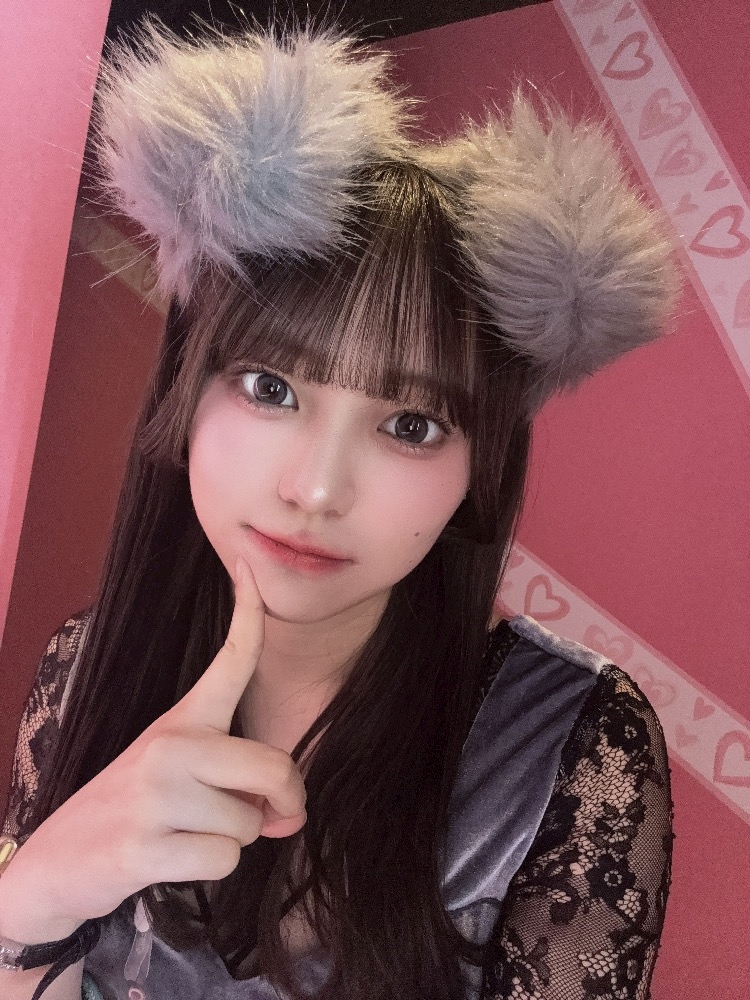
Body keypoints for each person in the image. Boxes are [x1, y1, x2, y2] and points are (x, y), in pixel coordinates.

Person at [0, 20, 679, 1000]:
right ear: (187, 392)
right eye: (271, 388)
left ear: (479, 466)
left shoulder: (572, 752)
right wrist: (32, 905)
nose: (317, 490)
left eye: (410, 424)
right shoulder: (82, 670)